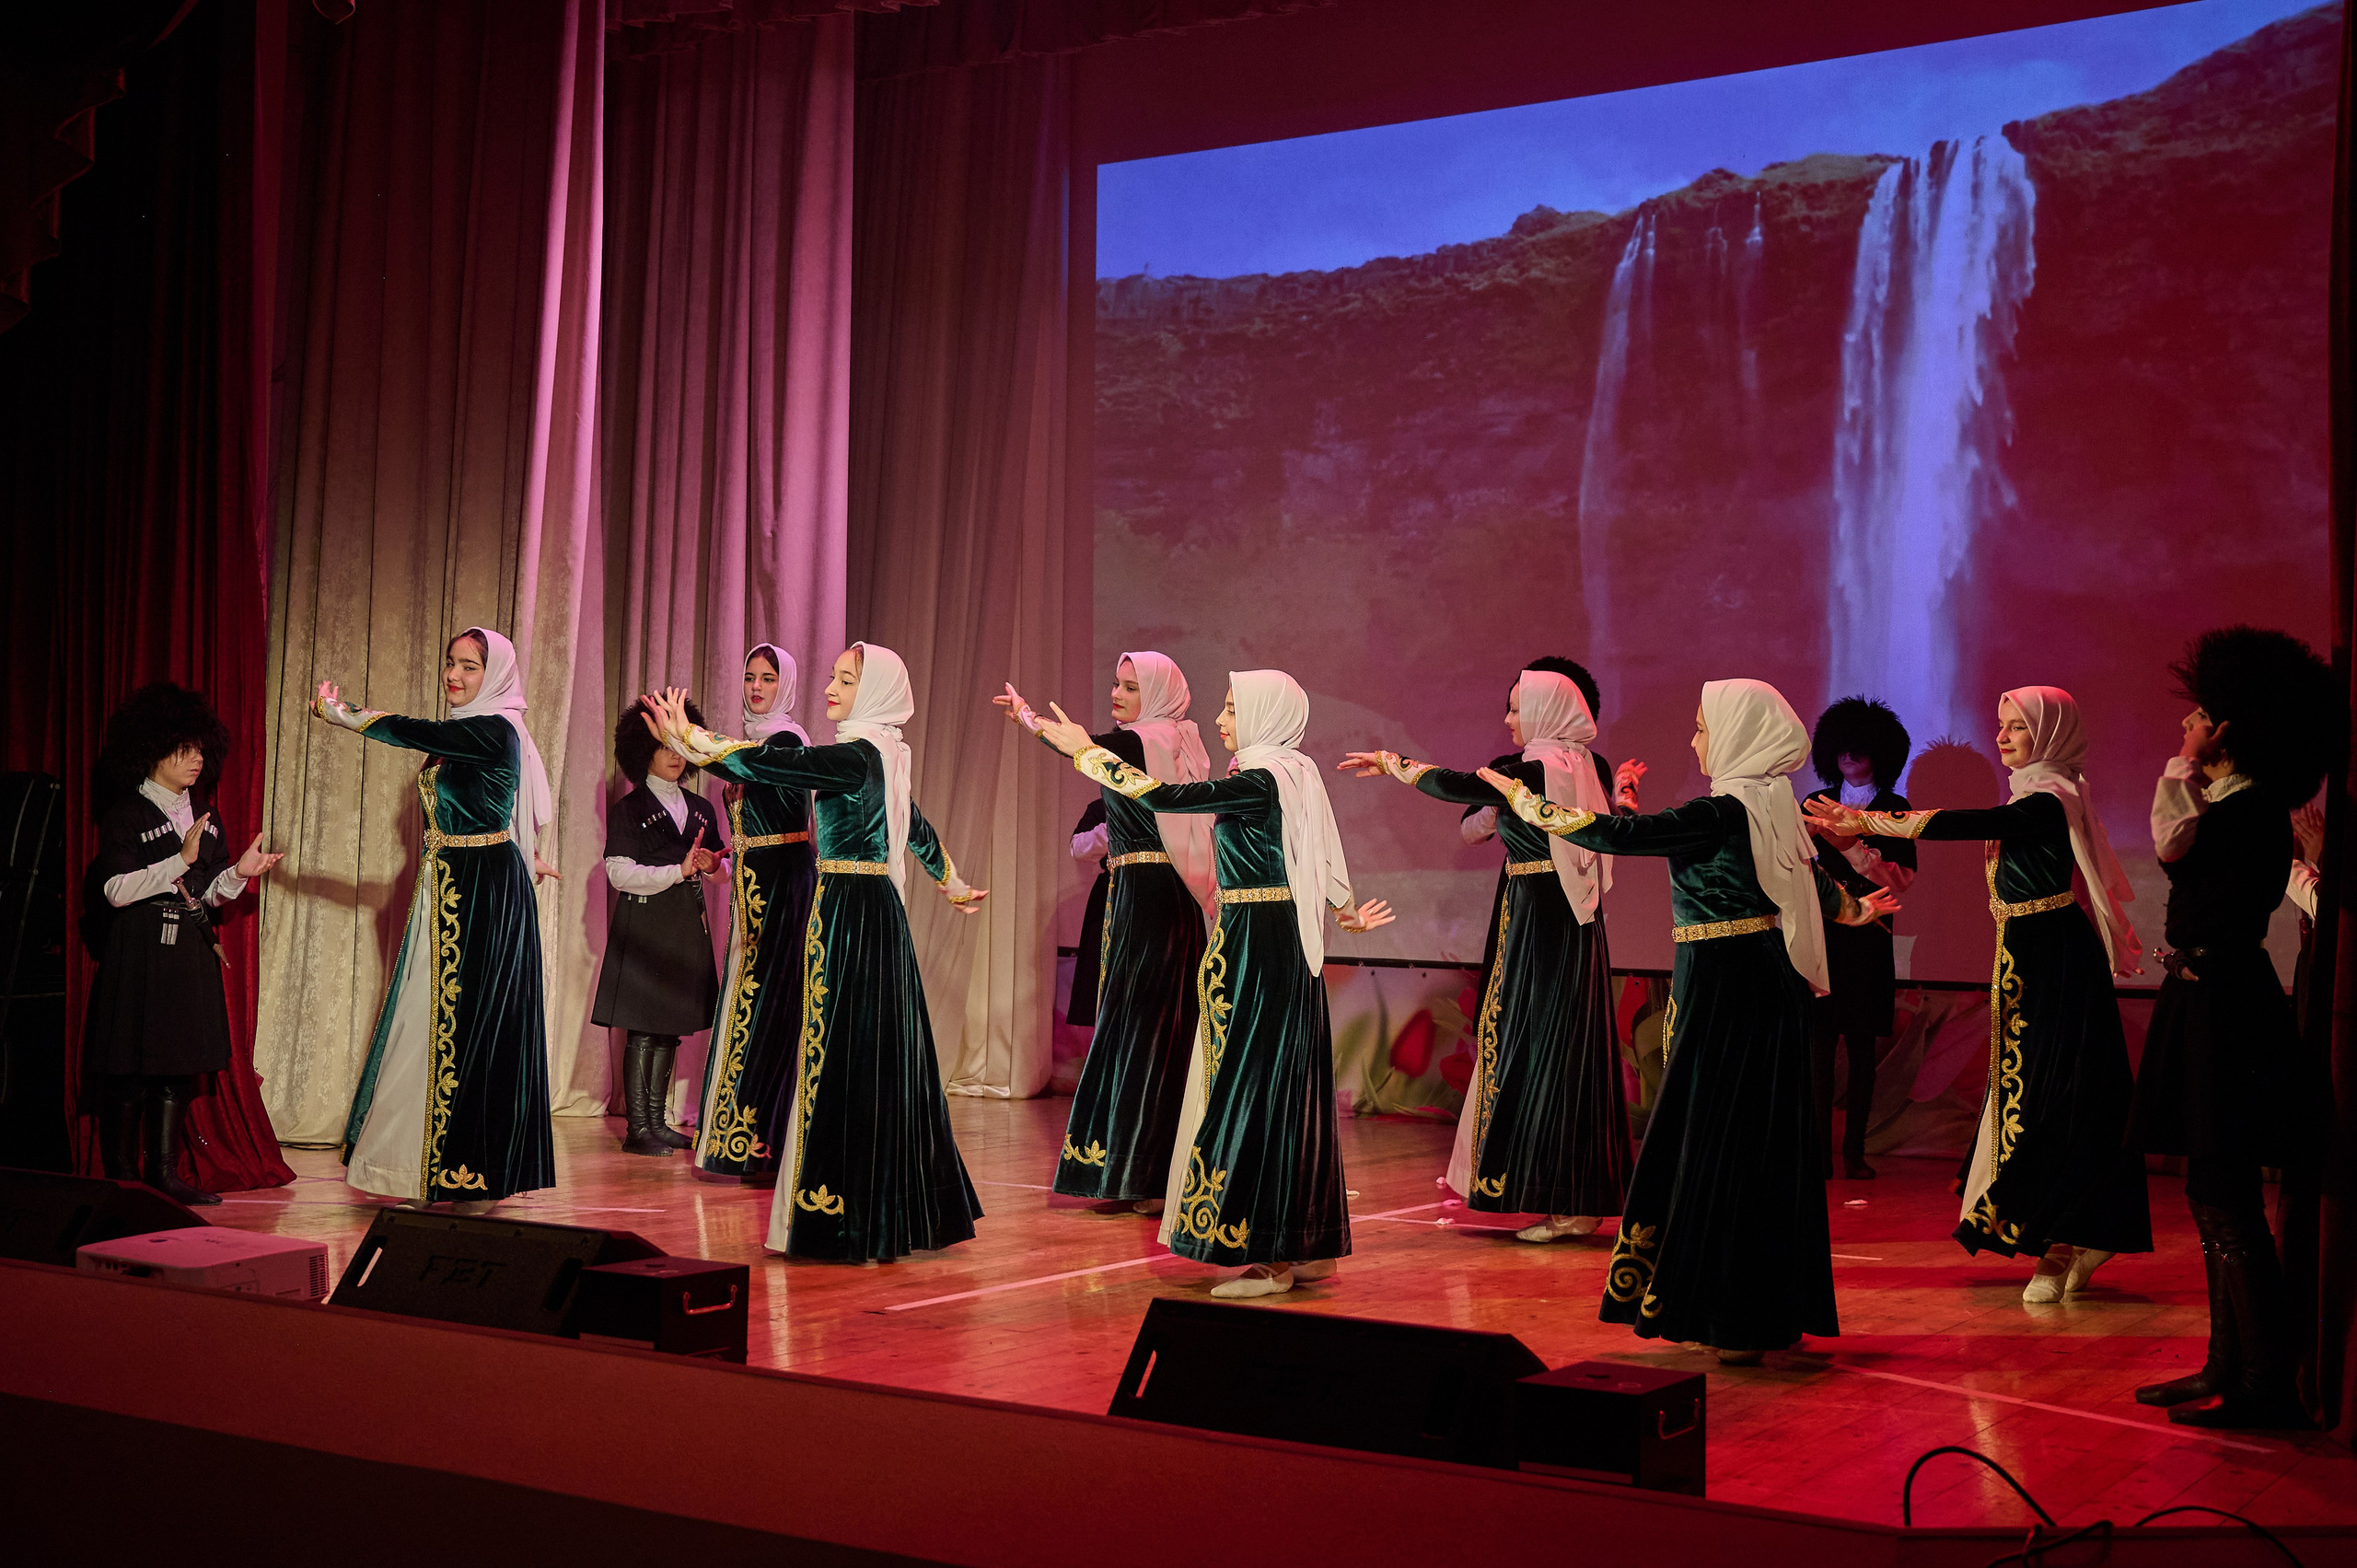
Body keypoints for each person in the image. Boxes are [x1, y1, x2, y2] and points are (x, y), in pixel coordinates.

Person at [1482, 679, 1897, 1362]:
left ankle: (1728, 1312)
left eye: (1704, 726)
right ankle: (1764, 1309)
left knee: (1715, 1137)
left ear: (1737, 733)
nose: (1696, 739)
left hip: (1729, 986)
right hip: (1764, 982)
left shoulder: (1722, 810)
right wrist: (1859, 910)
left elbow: (1618, 835)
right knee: (1761, 1142)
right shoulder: (1772, 808)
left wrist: (1528, 801)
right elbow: (1817, 889)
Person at [1034, 671, 1393, 1299]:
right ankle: (1303, 1246)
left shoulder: (1258, 779)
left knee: (1247, 1086)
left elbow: (1164, 797)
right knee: (1283, 1086)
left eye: (1232, 708)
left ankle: (1265, 1256)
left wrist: (1081, 749)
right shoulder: (1294, 772)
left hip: (1256, 938)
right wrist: (1343, 906)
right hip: (1277, 937)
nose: (1223, 718)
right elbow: (1320, 852)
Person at [1805, 687, 2153, 1303]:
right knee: (2035, 1092)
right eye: (2001, 725)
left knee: (2057, 1097)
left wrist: (1865, 821)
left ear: (2048, 735)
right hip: (2027, 956)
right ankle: (2071, 1233)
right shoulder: (2034, 791)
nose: (2003, 736)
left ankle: (2061, 1239)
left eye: (2016, 727)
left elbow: (1975, 824)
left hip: (2056, 961)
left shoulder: (2051, 797)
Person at [643, 643, 986, 1262]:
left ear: (876, 690)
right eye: (832, 675)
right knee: (877, 1058)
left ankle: (842, 1214)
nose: (832, 686)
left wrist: (693, 738)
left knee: (838, 1056)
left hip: (852, 912)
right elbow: (919, 826)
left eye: (846, 679)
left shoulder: (858, 755)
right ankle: (885, 1207)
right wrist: (951, 881)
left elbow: (773, 768)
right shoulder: (880, 752)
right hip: (871, 911)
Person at [1340, 669, 1631, 1243]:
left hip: (1541, 919)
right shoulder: (1578, 765)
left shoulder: (1537, 768)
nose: (1507, 720)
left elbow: (1459, 787)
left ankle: (1562, 1198)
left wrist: (1395, 764)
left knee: (1542, 1043)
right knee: (1558, 1046)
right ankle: (1568, 1196)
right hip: (1566, 918)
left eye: (1518, 708)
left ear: (1546, 712)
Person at [2129, 627, 2337, 1429]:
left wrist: (2184, 767)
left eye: (2199, 718)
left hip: (2228, 1003)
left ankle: (2265, 1382)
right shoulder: (2234, 803)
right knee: (2211, 1190)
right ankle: (2228, 1363)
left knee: (2227, 1193)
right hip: (2204, 994)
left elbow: (2171, 842)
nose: (2183, 728)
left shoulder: (2248, 808)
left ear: (2229, 728)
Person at [312, 628, 559, 1211]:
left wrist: (348, 716)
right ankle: (428, 1165)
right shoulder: (468, 735)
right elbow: (492, 804)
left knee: (469, 1027)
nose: (454, 675)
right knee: (430, 1026)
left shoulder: (492, 728)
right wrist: (525, 852)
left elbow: (420, 734)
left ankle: (468, 1169)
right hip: (454, 883)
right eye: (450, 663)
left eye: (469, 667)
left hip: (480, 893)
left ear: (494, 675)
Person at [999, 653, 1213, 1214]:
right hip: (1159, 900)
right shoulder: (1174, 742)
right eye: (1115, 684)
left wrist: (1029, 720)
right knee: (1149, 1028)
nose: (1116, 694)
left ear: (1160, 693)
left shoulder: (1149, 740)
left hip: (1152, 899)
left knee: (1143, 1028)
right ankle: (1141, 1170)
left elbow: (1078, 745)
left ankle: (1141, 1173)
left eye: (1130, 687)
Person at [84, 683, 283, 1206]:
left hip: (187, 950)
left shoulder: (206, 816)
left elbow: (209, 893)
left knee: (176, 1066)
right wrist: (180, 860)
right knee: (130, 1069)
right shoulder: (126, 815)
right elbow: (114, 891)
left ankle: (165, 1172)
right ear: (153, 749)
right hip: (138, 951)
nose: (196, 760)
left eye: (201, 750)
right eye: (184, 750)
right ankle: (122, 1173)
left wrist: (238, 872)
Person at [693, 644, 819, 1183]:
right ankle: (738, 1139)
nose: (757, 688)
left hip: (785, 889)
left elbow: (783, 826)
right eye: (749, 677)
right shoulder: (749, 743)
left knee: (773, 1008)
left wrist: (688, 737)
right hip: (753, 890)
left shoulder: (788, 741)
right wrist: (721, 859)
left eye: (768, 679)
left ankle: (763, 1144)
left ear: (784, 685)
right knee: (748, 1004)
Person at [594, 696, 726, 1157]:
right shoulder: (630, 809)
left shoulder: (701, 809)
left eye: (680, 744)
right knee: (644, 1028)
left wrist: (711, 866)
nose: (675, 754)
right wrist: (678, 871)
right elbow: (619, 872)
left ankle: (659, 1120)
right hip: (645, 926)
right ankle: (639, 1127)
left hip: (686, 927)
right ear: (641, 751)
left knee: (669, 1027)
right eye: (663, 744)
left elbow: (721, 868)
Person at [1801, 697, 1917, 1180]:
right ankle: (1817, 1153)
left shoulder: (1896, 809)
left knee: (1863, 1049)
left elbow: (1903, 879)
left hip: (1870, 937)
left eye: (1860, 748)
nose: (1850, 755)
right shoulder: (1811, 803)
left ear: (1880, 752)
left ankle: (1854, 1152)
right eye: (1842, 748)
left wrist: (1853, 850)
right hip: (1824, 938)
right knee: (1819, 1050)